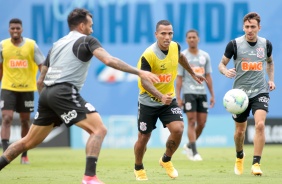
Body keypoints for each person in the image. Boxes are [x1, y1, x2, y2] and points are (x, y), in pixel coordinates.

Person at [0, 8, 159, 184]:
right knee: (99, 129)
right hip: (64, 91)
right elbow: (109, 60)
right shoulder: (87, 40)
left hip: (47, 94)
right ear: (82, 25)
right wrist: (139, 72)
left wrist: (49, 102)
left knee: (27, 142)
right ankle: (89, 177)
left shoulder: (57, 44)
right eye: (90, 25)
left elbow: (40, 80)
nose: (92, 28)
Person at [133, 20, 206, 181]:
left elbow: (180, 57)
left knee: (179, 128)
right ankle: (138, 167)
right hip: (148, 101)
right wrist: (159, 96)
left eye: (170, 33)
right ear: (156, 35)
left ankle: (166, 160)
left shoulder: (175, 46)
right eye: (163, 33)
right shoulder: (148, 55)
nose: (167, 37)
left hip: (168, 99)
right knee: (143, 138)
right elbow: (144, 80)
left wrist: (193, 73)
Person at [218, 12, 275, 176]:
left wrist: (271, 80)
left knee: (260, 125)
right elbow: (221, 64)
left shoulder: (266, 44)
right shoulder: (234, 44)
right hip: (239, 96)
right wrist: (225, 71)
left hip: (260, 90)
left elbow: (270, 63)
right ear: (243, 27)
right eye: (247, 27)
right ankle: (239, 156)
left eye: (253, 27)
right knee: (240, 132)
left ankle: (256, 164)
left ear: (259, 28)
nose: (250, 30)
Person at [0, 18, 44, 164]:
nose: (15, 31)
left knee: (25, 121)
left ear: (22, 29)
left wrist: (43, 81)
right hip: (8, 88)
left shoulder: (31, 45)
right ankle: (6, 152)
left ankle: (24, 155)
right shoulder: (3, 46)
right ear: (9, 30)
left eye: (17, 28)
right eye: (12, 28)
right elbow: (0, 67)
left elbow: (42, 65)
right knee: (6, 118)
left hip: (27, 89)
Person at [176, 29, 215, 161]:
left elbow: (208, 76)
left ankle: (188, 145)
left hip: (202, 93)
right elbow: (179, 78)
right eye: (189, 37)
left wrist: (212, 95)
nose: (192, 39)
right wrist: (179, 97)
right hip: (189, 92)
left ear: (198, 39)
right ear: (186, 40)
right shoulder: (183, 56)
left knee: (202, 123)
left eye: (194, 37)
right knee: (191, 121)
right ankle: (194, 151)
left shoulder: (205, 56)